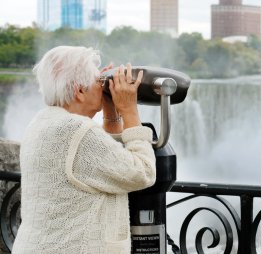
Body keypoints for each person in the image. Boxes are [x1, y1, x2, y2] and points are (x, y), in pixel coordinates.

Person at [12, 46, 156, 254]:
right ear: (80, 91)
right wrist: (129, 111)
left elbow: (106, 165)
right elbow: (142, 173)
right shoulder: (78, 132)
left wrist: (111, 113)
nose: (104, 87)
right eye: (99, 82)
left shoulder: (41, 123)